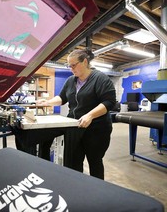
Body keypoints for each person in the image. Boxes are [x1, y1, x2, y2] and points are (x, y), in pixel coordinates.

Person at [36, 49, 116, 180]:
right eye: (69, 66)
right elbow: (62, 98)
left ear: (85, 62)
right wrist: (48, 102)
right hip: (74, 127)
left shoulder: (100, 78)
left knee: (94, 161)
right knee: (73, 161)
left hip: (96, 129)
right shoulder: (70, 81)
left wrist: (90, 115)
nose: (71, 69)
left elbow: (109, 102)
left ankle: (98, 191)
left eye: (73, 65)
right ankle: (76, 187)